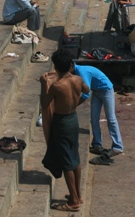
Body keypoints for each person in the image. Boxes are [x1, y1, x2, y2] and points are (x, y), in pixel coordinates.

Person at [41, 50, 90, 212]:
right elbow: (87, 90)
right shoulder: (78, 79)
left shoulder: (57, 86)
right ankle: (78, 194)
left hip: (61, 122)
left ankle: (74, 201)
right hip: (73, 119)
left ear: (56, 67)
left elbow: (45, 103)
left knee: (66, 161)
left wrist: (43, 84)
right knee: (74, 156)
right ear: (70, 66)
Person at [71, 62, 123, 158]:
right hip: (96, 91)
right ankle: (97, 144)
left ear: (71, 66)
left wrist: (73, 105)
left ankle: (118, 146)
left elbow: (86, 94)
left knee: (111, 118)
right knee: (94, 119)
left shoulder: (81, 72)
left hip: (106, 90)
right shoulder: (75, 71)